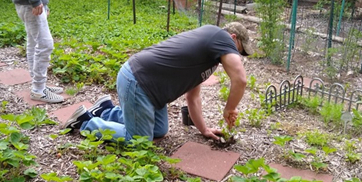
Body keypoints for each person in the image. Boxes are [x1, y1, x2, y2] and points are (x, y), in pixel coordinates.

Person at [64, 22, 253, 141]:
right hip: (137, 81)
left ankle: (106, 110)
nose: (239, 55)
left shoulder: (208, 55)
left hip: (149, 90)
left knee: (159, 130)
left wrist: (203, 129)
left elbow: (192, 97)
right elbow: (240, 79)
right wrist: (229, 109)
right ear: (233, 38)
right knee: (138, 140)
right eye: (239, 50)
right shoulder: (220, 37)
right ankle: (85, 122)